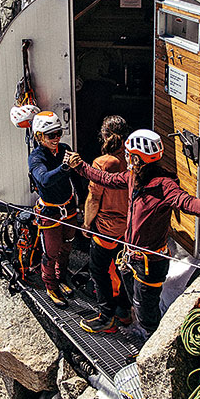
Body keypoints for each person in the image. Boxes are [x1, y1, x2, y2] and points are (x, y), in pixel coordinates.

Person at [66, 129, 200, 337]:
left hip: (150, 263)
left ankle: (149, 343)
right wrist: (80, 167)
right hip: (132, 257)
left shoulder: (164, 185)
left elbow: (186, 202)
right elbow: (107, 179)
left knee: (146, 311)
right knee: (135, 299)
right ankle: (134, 324)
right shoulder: (134, 177)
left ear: (136, 158)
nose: (126, 157)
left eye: (128, 154)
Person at [79, 115, 133, 334]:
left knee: (99, 270)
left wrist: (86, 223)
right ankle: (124, 311)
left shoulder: (103, 163)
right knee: (120, 269)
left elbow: (93, 199)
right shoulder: (132, 160)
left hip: (106, 228)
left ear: (104, 135)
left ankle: (106, 317)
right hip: (127, 228)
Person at [28, 111, 78, 307]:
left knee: (67, 246)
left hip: (69, 206)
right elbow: (44, 180)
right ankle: (51, 286)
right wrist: (65, 167)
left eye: (58, 133)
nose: (56, 138)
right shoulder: (36, 158)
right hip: (50, 211)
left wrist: (81, 199)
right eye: (51, 135)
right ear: (40, 136)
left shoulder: (64, 149)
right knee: (51, 251)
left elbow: (74, 176)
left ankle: (61, 277)